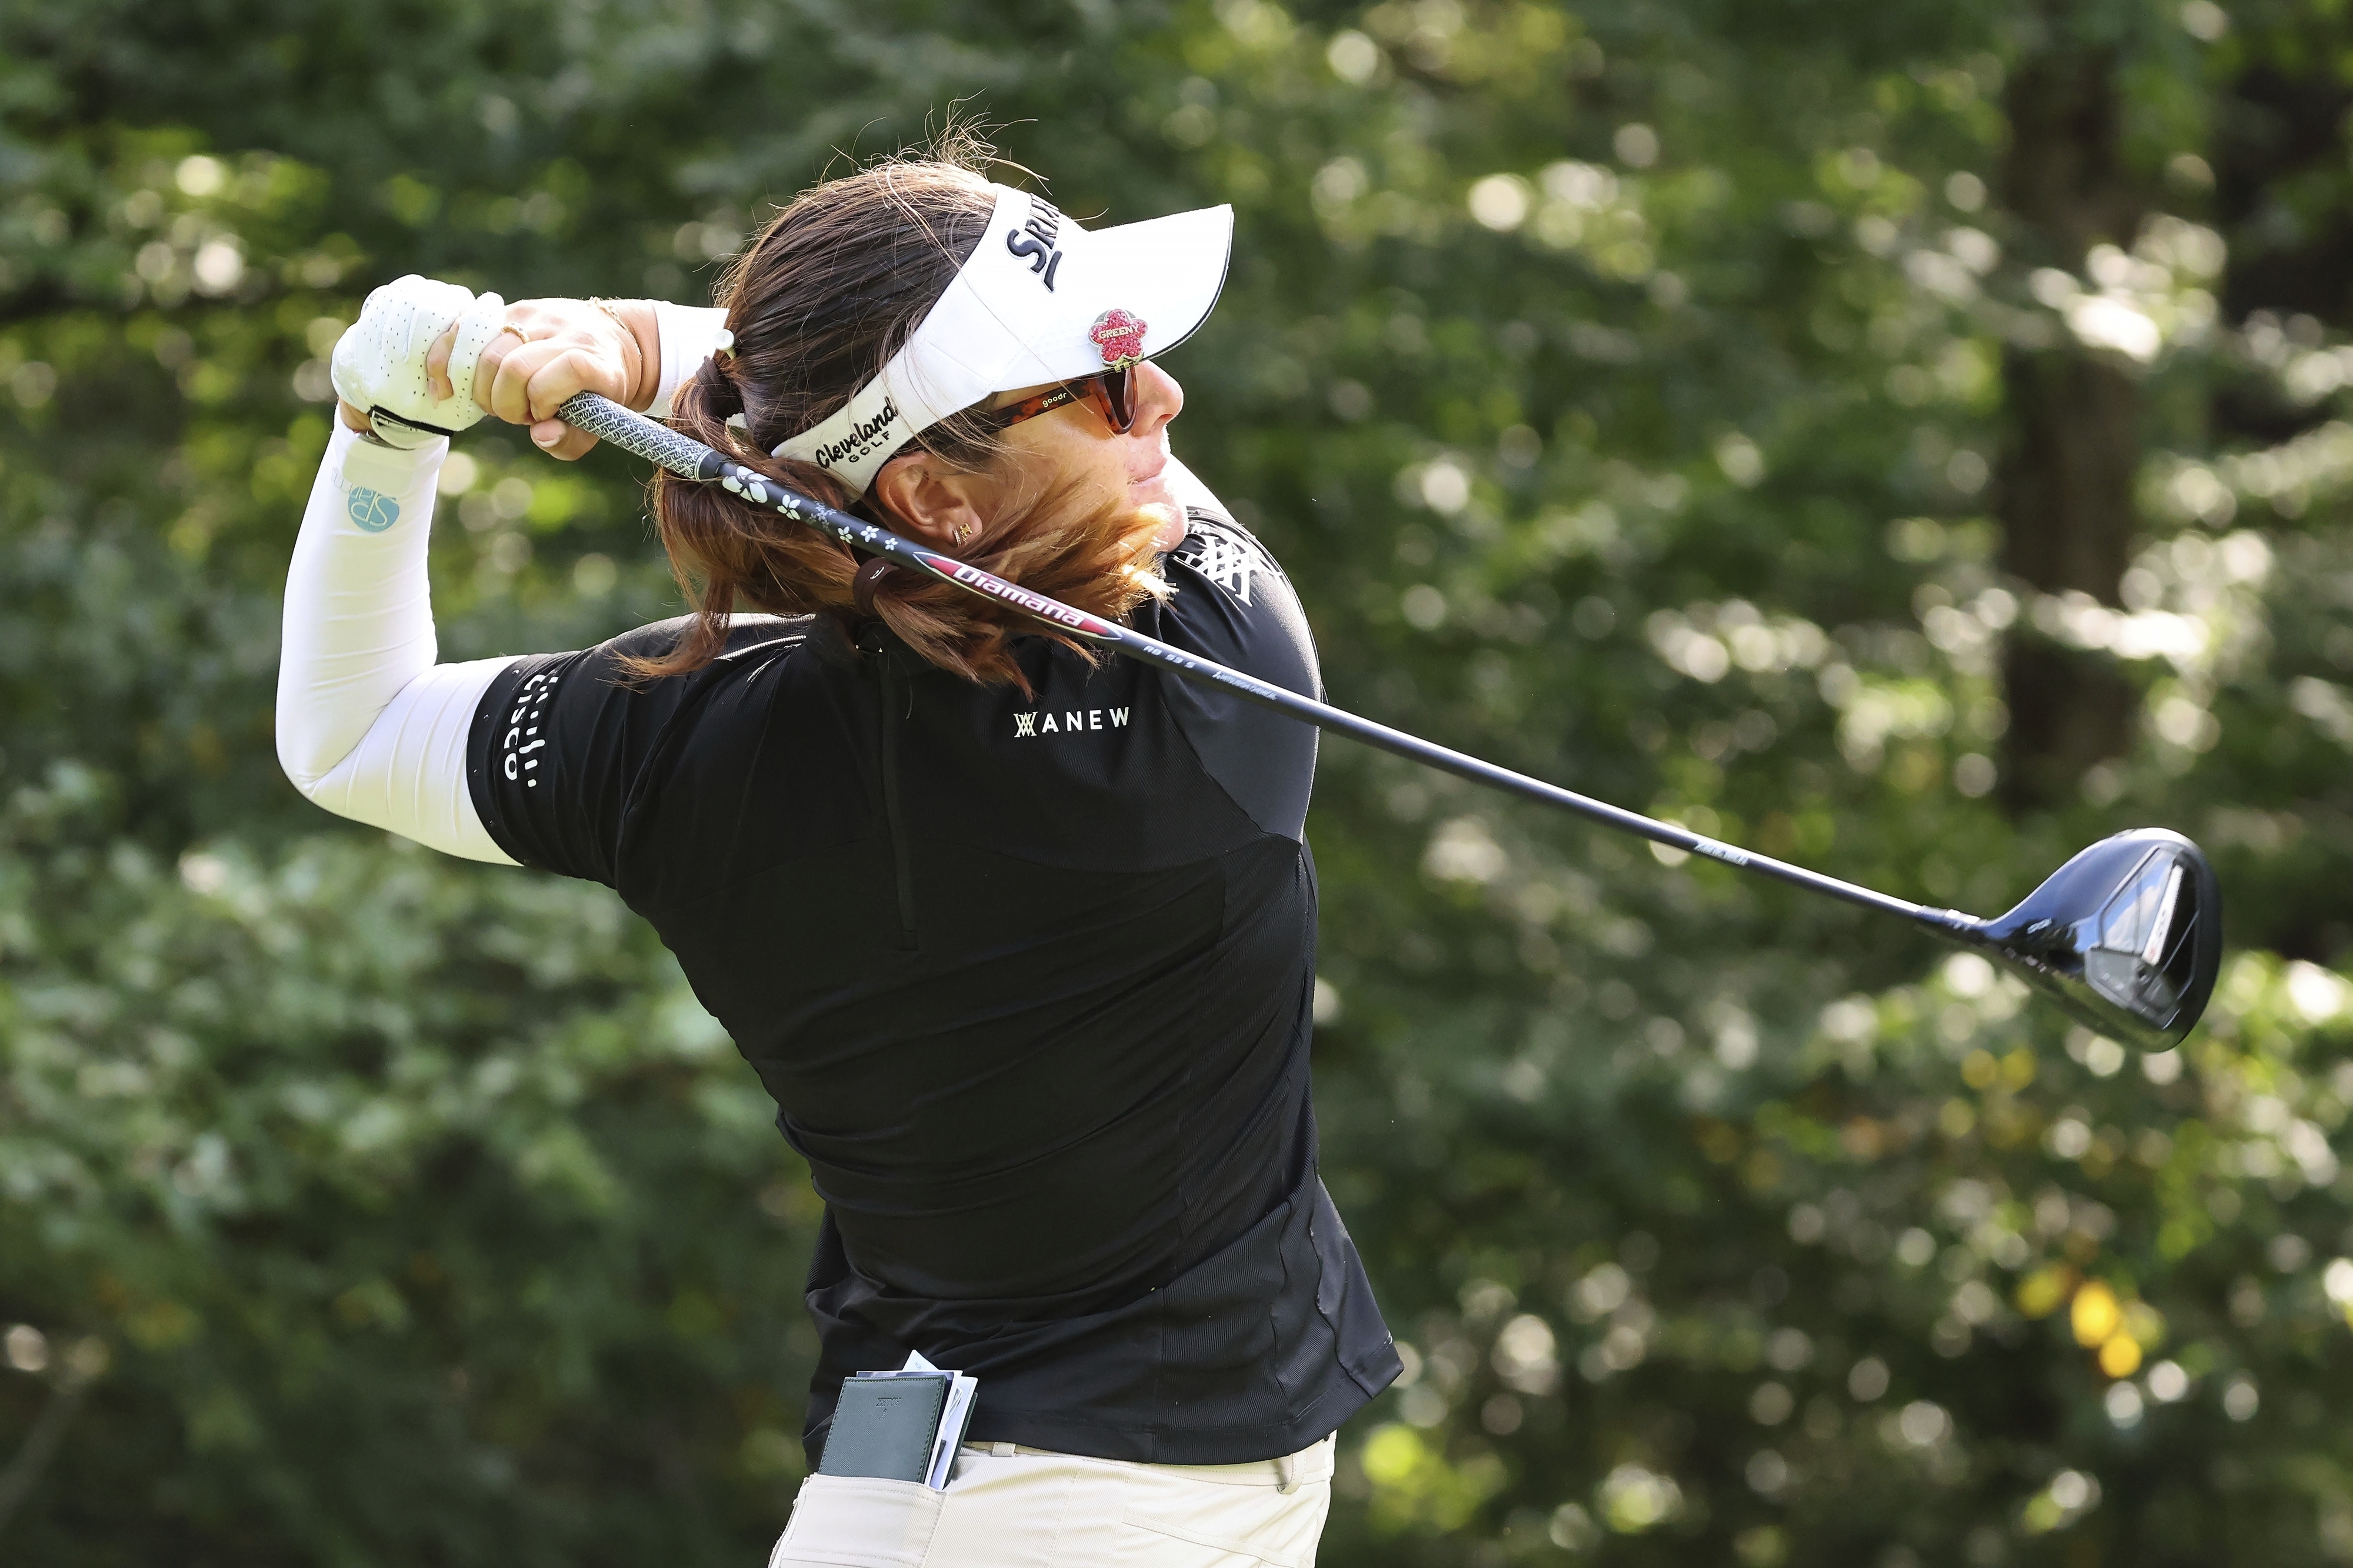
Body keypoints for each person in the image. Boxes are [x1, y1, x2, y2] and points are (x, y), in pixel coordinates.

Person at [277, 140, 1399, 1566]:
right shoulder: (1205, 674)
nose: (1162, 395)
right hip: (1104, 1513)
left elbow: (350, 730)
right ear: (934, 501)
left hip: (924, 1504)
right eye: (1107, 374)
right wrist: (636, 345)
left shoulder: (675, 736)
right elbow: (873, 422)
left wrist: (388, 421)